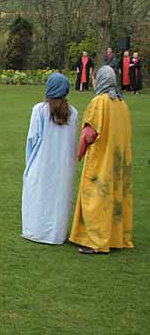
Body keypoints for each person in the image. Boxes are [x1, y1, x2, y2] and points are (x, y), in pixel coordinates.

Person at [69, 66, 133, 254]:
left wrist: (79, 153)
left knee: (97, 198)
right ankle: (115, 237)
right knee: (115, 198)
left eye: (94, 78)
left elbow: (89, 134)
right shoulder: (122, 104)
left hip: (102, 160)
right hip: (119, 163)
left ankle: (96, 240)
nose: (93, 82)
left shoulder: (100, 103)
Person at [22, 73, 78, 245]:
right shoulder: (73, 113)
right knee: (58, 197)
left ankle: (36, 231)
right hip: (63, 164)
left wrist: (29, 164)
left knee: (40, 194)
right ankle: (55, 233)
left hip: (42, 161)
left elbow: (32, 138)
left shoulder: (39, 110)